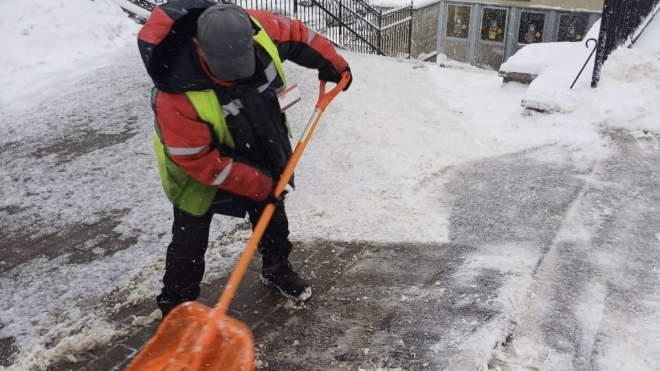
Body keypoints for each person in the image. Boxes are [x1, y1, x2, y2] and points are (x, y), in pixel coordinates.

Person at [137, 0, 352, 317]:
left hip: (257, 137)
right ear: (200, 47)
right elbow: (200, 161)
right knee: (190, 236)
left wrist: (333, 63)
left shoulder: (259, 27)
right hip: (196, 167)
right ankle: (177, 304)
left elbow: (299, 35)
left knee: (272, 210)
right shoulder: (175, 91)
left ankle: (276, 267)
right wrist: (258, 183)